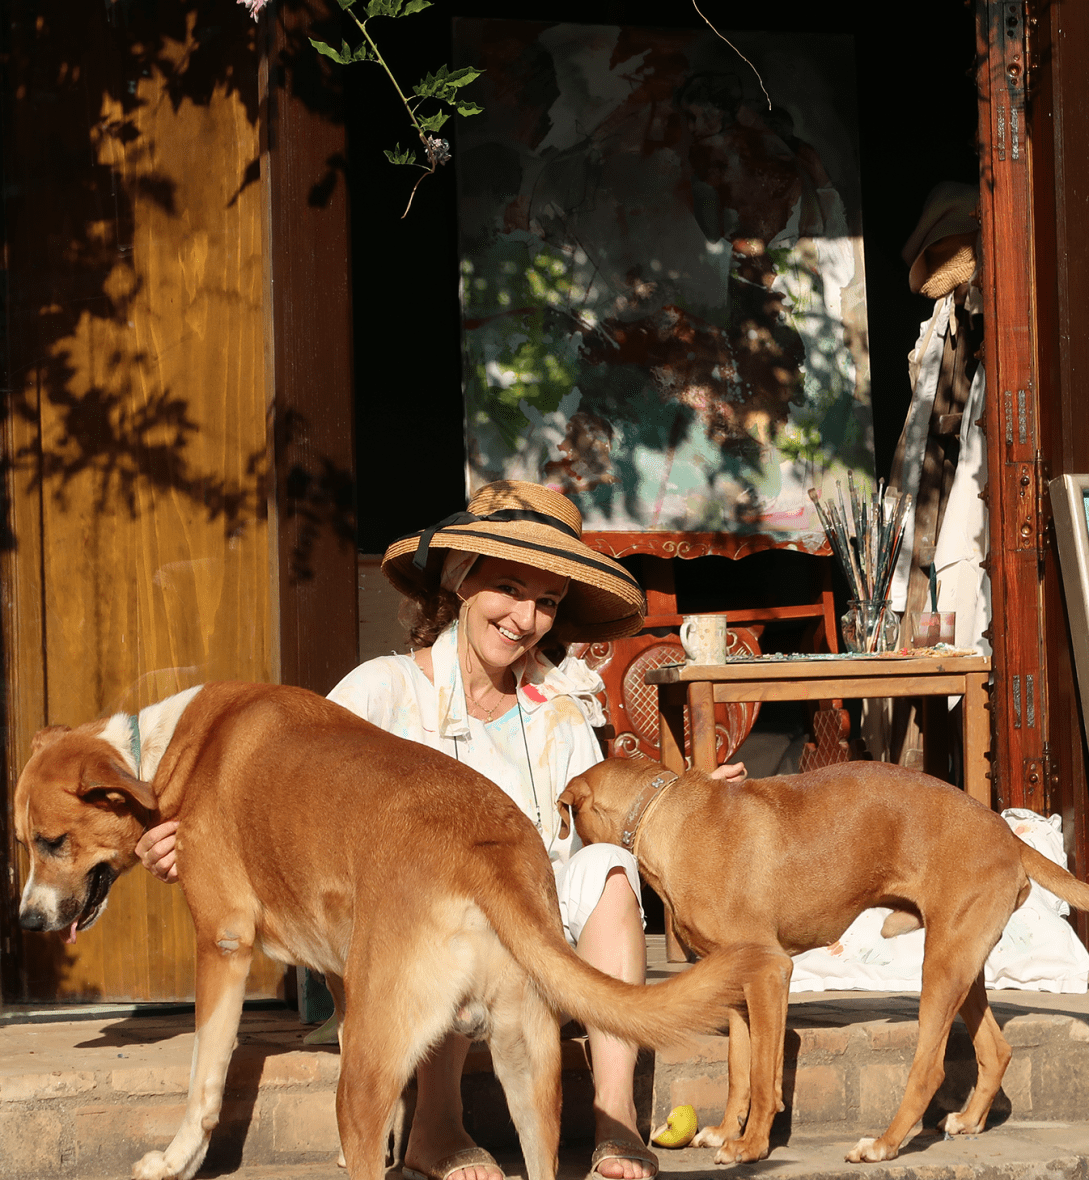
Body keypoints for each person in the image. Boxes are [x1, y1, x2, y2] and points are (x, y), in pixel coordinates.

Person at [137, 479, 746, 1180]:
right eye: (509, 589)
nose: (526, 618)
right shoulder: (378, 689)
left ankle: (615, 1118)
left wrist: (693, 808)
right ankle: (437, 1125)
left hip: (533, 928)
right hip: (405, 933)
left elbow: (594, 833)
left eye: (547, 602)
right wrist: (199, 845)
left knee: (606, 868)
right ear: (460, 580)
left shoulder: (560, 711)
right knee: (437, 882)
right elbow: (283, 806)